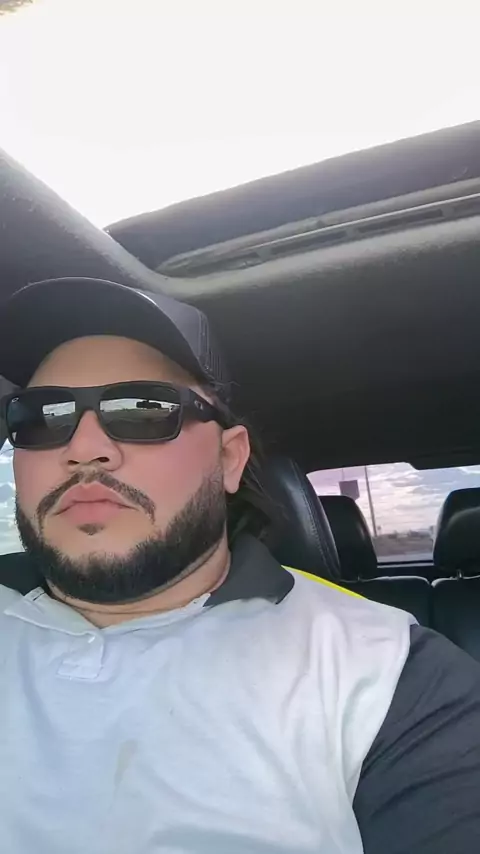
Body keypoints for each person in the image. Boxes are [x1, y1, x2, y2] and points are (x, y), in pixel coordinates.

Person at [0, 276, 479, 854]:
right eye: (42, 416)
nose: (82, 449)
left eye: (144, 409)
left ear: (229, 459)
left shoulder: (385, 672)